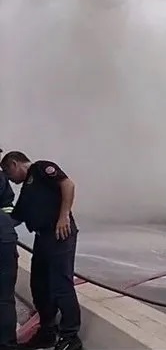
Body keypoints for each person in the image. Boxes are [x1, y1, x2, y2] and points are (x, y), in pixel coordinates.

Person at [0, 152, 82, 350]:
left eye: (8, 173)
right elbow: (14, 217)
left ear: (14, 163)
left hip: (59, 234)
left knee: (60, 285)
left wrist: (63, 216)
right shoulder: (27, 191)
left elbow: (68, 184)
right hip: (42, 237)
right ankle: (47, 331)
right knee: (39, 285)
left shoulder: (41, 169)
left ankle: (71, 336)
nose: (9, 179)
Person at [0, 148, 19, 350]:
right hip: (5, 239)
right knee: (4, 298)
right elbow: (8, 207)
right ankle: (6, 344)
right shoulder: (2, 179)